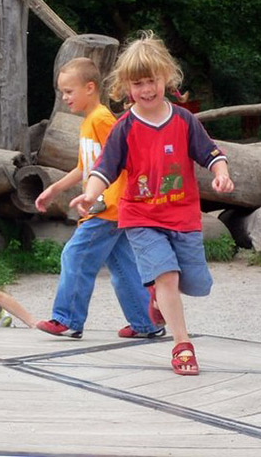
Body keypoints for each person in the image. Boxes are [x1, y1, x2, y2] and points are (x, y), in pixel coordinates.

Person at [70, 32, 235, 375]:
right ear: (126, 87)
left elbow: (211, 153)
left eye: (152, 81)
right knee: (167, 275)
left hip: (182, 215)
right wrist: (91, 193)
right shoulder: (124, 128)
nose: (146, 89)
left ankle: (157, 298)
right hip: (140, 215)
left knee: (196, 285)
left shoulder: (184, 121)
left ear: (167, 79)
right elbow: (105, 168)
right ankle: (182, 345)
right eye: (138, 83)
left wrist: (221, 173)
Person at [33, 57, 164, 340]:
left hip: (109, 206)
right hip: (111, 207)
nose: (64, 97)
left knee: (75, 255)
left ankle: (67, 319)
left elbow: (120, 159)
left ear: (90, 87)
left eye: (69, 91)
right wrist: (54, 189)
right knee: (122, 265)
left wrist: (107, 197)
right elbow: (86, 167)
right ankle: (146, 323)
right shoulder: (88, 122)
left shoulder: (102, 119)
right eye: (62, 92)